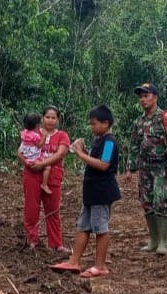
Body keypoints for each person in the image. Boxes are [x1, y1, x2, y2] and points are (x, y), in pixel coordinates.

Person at [51, 106, 121, 278]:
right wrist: (84, 151)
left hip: (102, 192)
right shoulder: (99, 139)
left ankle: (100, 265)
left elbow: (103, 164)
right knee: (83, 226)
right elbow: (96, 160)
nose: (92, 127)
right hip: (91, 192)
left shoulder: (109, 141)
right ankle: (74, 261)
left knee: (100, 228)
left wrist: (82, 154)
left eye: (94, 124)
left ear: (106, 123)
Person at [130, 83, 167, 255]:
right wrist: (131, 168)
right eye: (141, 97)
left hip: (161, 166)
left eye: (146, 95)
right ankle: (153, 239)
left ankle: (162, 242)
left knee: (162, 201)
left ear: (155, 97)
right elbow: (135, 145)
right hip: (145, 166)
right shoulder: (139, 121)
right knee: (147, 202)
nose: (143, 99)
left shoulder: (165, 117)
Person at [22, 105, 71, 252]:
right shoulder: (33, 132)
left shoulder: (62, 135)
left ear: (58, 119)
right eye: (47, 117)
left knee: (53, 211)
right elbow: (22, 150)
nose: (50, 120)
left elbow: (60, 154)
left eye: (53, 117)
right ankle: (32, 241)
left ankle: (56, 244)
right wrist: (26, 162)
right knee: (31, 208)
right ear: (42, 118)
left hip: (53, 176)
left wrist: (42, 163)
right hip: (32, 175)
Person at [18, 113, 52, 195]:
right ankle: (44, 184)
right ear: (37, 125)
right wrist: (44, 136)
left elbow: (21, 149)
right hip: (34, 158)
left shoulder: (24, 133)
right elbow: (39, 145)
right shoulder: (35, 136)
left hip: (26, 157)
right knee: (47, 167)